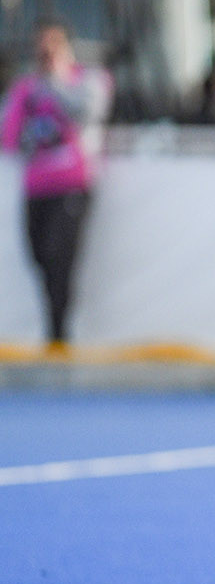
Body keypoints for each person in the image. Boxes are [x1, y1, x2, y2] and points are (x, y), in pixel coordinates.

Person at [0, 18, 112, 348]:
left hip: (72, 184)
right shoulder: (26, 88)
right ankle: (55, 330)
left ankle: (58, 334)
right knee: (38, 255)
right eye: (41, 48)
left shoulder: (87, 80)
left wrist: (54, 81)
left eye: (53, 46)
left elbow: (86, 113)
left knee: (60, 257)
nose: (46, 54)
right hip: (37, 186)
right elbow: (8, 137)